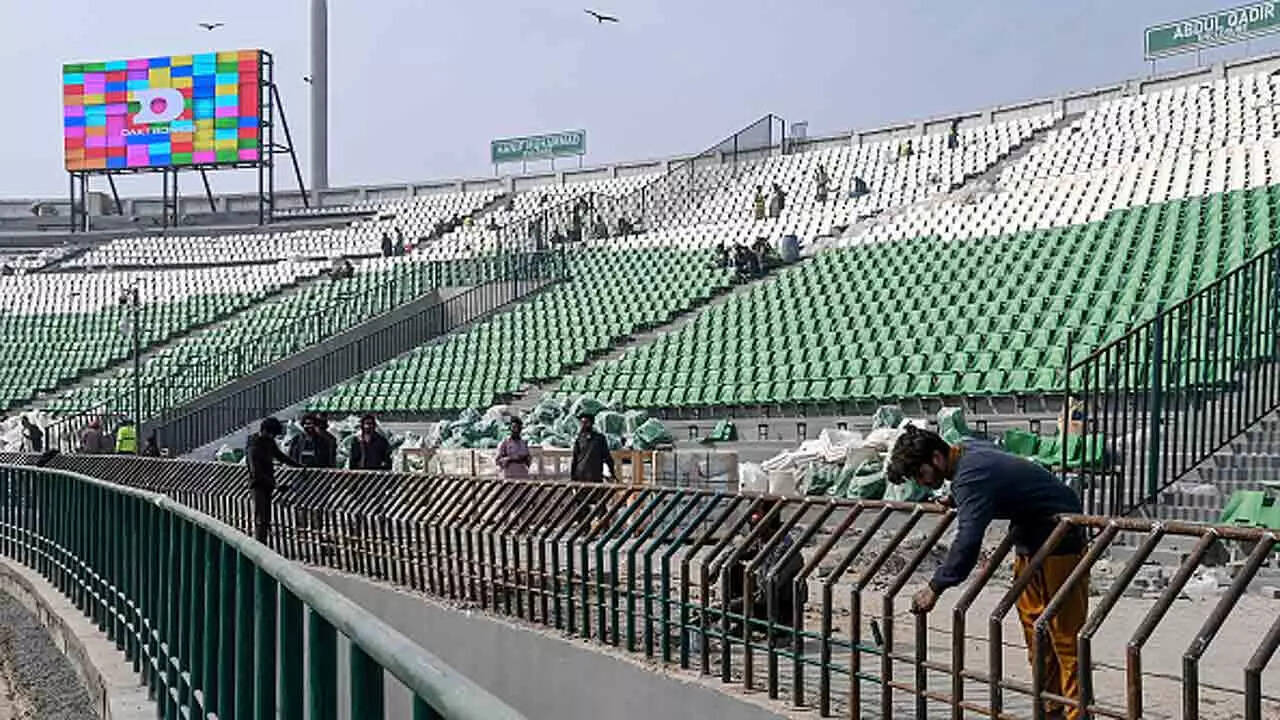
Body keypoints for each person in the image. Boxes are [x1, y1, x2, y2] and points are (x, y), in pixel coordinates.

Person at [889, 425, 1087, 720]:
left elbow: (968, 541)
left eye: (921, 474)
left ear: (937, 458)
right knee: (1036, 631)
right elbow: (994, 481)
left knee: (1065, 636)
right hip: (1029, 540)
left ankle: (1077, 714)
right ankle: (1051, 709)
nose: (921, 482)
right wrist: (956, 499)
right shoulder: (967, 455)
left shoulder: (970, 473)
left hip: (1060, 541)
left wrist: (936, 586)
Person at [726, 503, 805, 640]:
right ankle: (743, 625)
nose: (753, 533)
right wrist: (720, 564)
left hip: (780, 612)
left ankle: (781, 632)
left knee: (738, 606)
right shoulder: (764, 542)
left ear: (769, 527)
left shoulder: (784, 549)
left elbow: (765, 592)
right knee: (733, 569)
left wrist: (732, 606)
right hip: (763, 602)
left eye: (757, 528)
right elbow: (739, 553)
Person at [246, 417, 300, 545]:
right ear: (264, 431)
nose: (273, 437)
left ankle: (263, 544)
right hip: (258, 485)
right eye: (272, 434)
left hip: (268, 485)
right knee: (261, 519)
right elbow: (256, 471)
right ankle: (260, 547)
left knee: (267, 519)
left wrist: (298, 465)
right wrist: (276, 485)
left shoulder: (269, 442)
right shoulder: (254, 444)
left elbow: (280, 456)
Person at [570, 412, 615, 482]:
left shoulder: (599, 439)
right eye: (582, 422)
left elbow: (607, 457)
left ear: (591, 423)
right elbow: (575, 458)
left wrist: (612, 472)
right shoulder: (579, 439)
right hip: (581, 476)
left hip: (594, 475)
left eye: (586, 422)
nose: (583, 425)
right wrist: (573, 476)